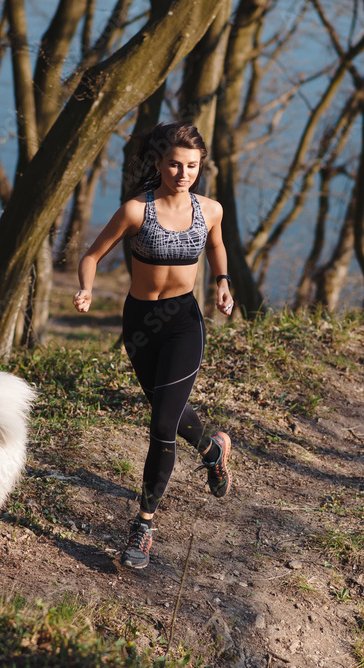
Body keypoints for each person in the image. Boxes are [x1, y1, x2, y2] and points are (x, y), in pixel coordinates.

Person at [74, 122, 235, 569]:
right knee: (170, 409)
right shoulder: (135, 211)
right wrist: (86, 289)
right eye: (173, 164)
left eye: (191, 166)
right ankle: (213, 450)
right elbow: (92, 255)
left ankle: (143, 525)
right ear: (159, 163)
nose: (182, 173)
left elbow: (217, 246)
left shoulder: (210, 210)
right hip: (141, 323)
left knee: (162, 424)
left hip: (184, 323)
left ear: (200, 167)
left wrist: (222, 282)